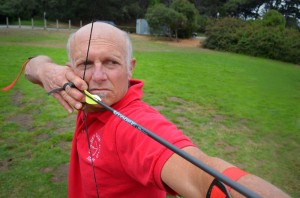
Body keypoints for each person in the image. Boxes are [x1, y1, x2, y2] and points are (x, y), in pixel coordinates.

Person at [23, 22, 289, 198]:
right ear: (69, 68)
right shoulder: (77, 91)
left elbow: (196, 171)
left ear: (131, 68)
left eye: (111, 62)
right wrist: (46, 71)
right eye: (86, 64)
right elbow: (31, 67)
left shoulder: (133, 123)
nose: (98, 76)